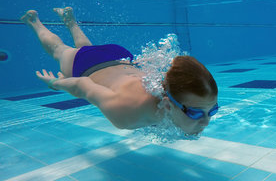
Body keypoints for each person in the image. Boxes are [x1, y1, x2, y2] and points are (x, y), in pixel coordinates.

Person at [20, 7, 218, 135]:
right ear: (167, 105)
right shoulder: (126, 112)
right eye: (195, 113)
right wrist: (55, 84)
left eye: (213, 110)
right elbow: (83, 85)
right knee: (58, 50)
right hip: (90, 65)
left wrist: (193, 113)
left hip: (122, 56)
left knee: (86, 47)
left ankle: (70, 21)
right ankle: (34, 21)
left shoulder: (174, 95)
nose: (206, 122)